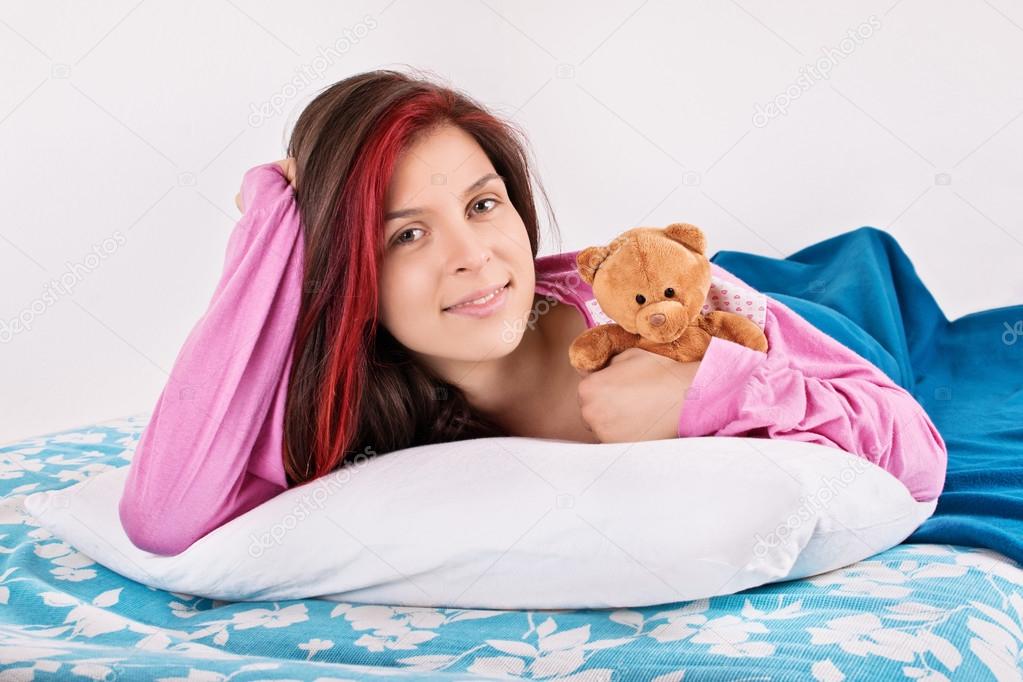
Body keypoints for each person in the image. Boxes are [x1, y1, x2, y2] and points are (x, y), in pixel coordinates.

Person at [118, 68, 947, 556]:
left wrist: (714, 389)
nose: (472, 257)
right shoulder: (352, 403)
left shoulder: (663, 313)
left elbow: (915, 456)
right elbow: (162, 517)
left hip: (767, 306)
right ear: (342, 269)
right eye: (408, 234)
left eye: (483, 206)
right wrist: (270, 222)